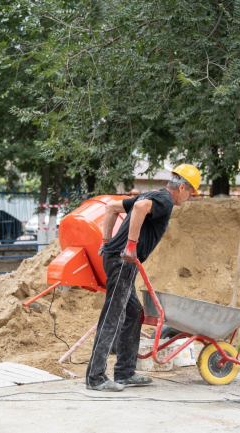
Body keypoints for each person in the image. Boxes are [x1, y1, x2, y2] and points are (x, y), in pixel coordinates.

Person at [86, 164, 201, 391]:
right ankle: (95, 377)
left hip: (118, 260)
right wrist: (130, 245)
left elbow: (111, 208)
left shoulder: (152, 195)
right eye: (191, 192)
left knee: (132, 312)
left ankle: (125, 372)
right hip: (123, 262)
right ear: (182, 187)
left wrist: (105, 242)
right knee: (112, 316)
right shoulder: (165, 200)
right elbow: (139, 207)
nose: (189, 197)